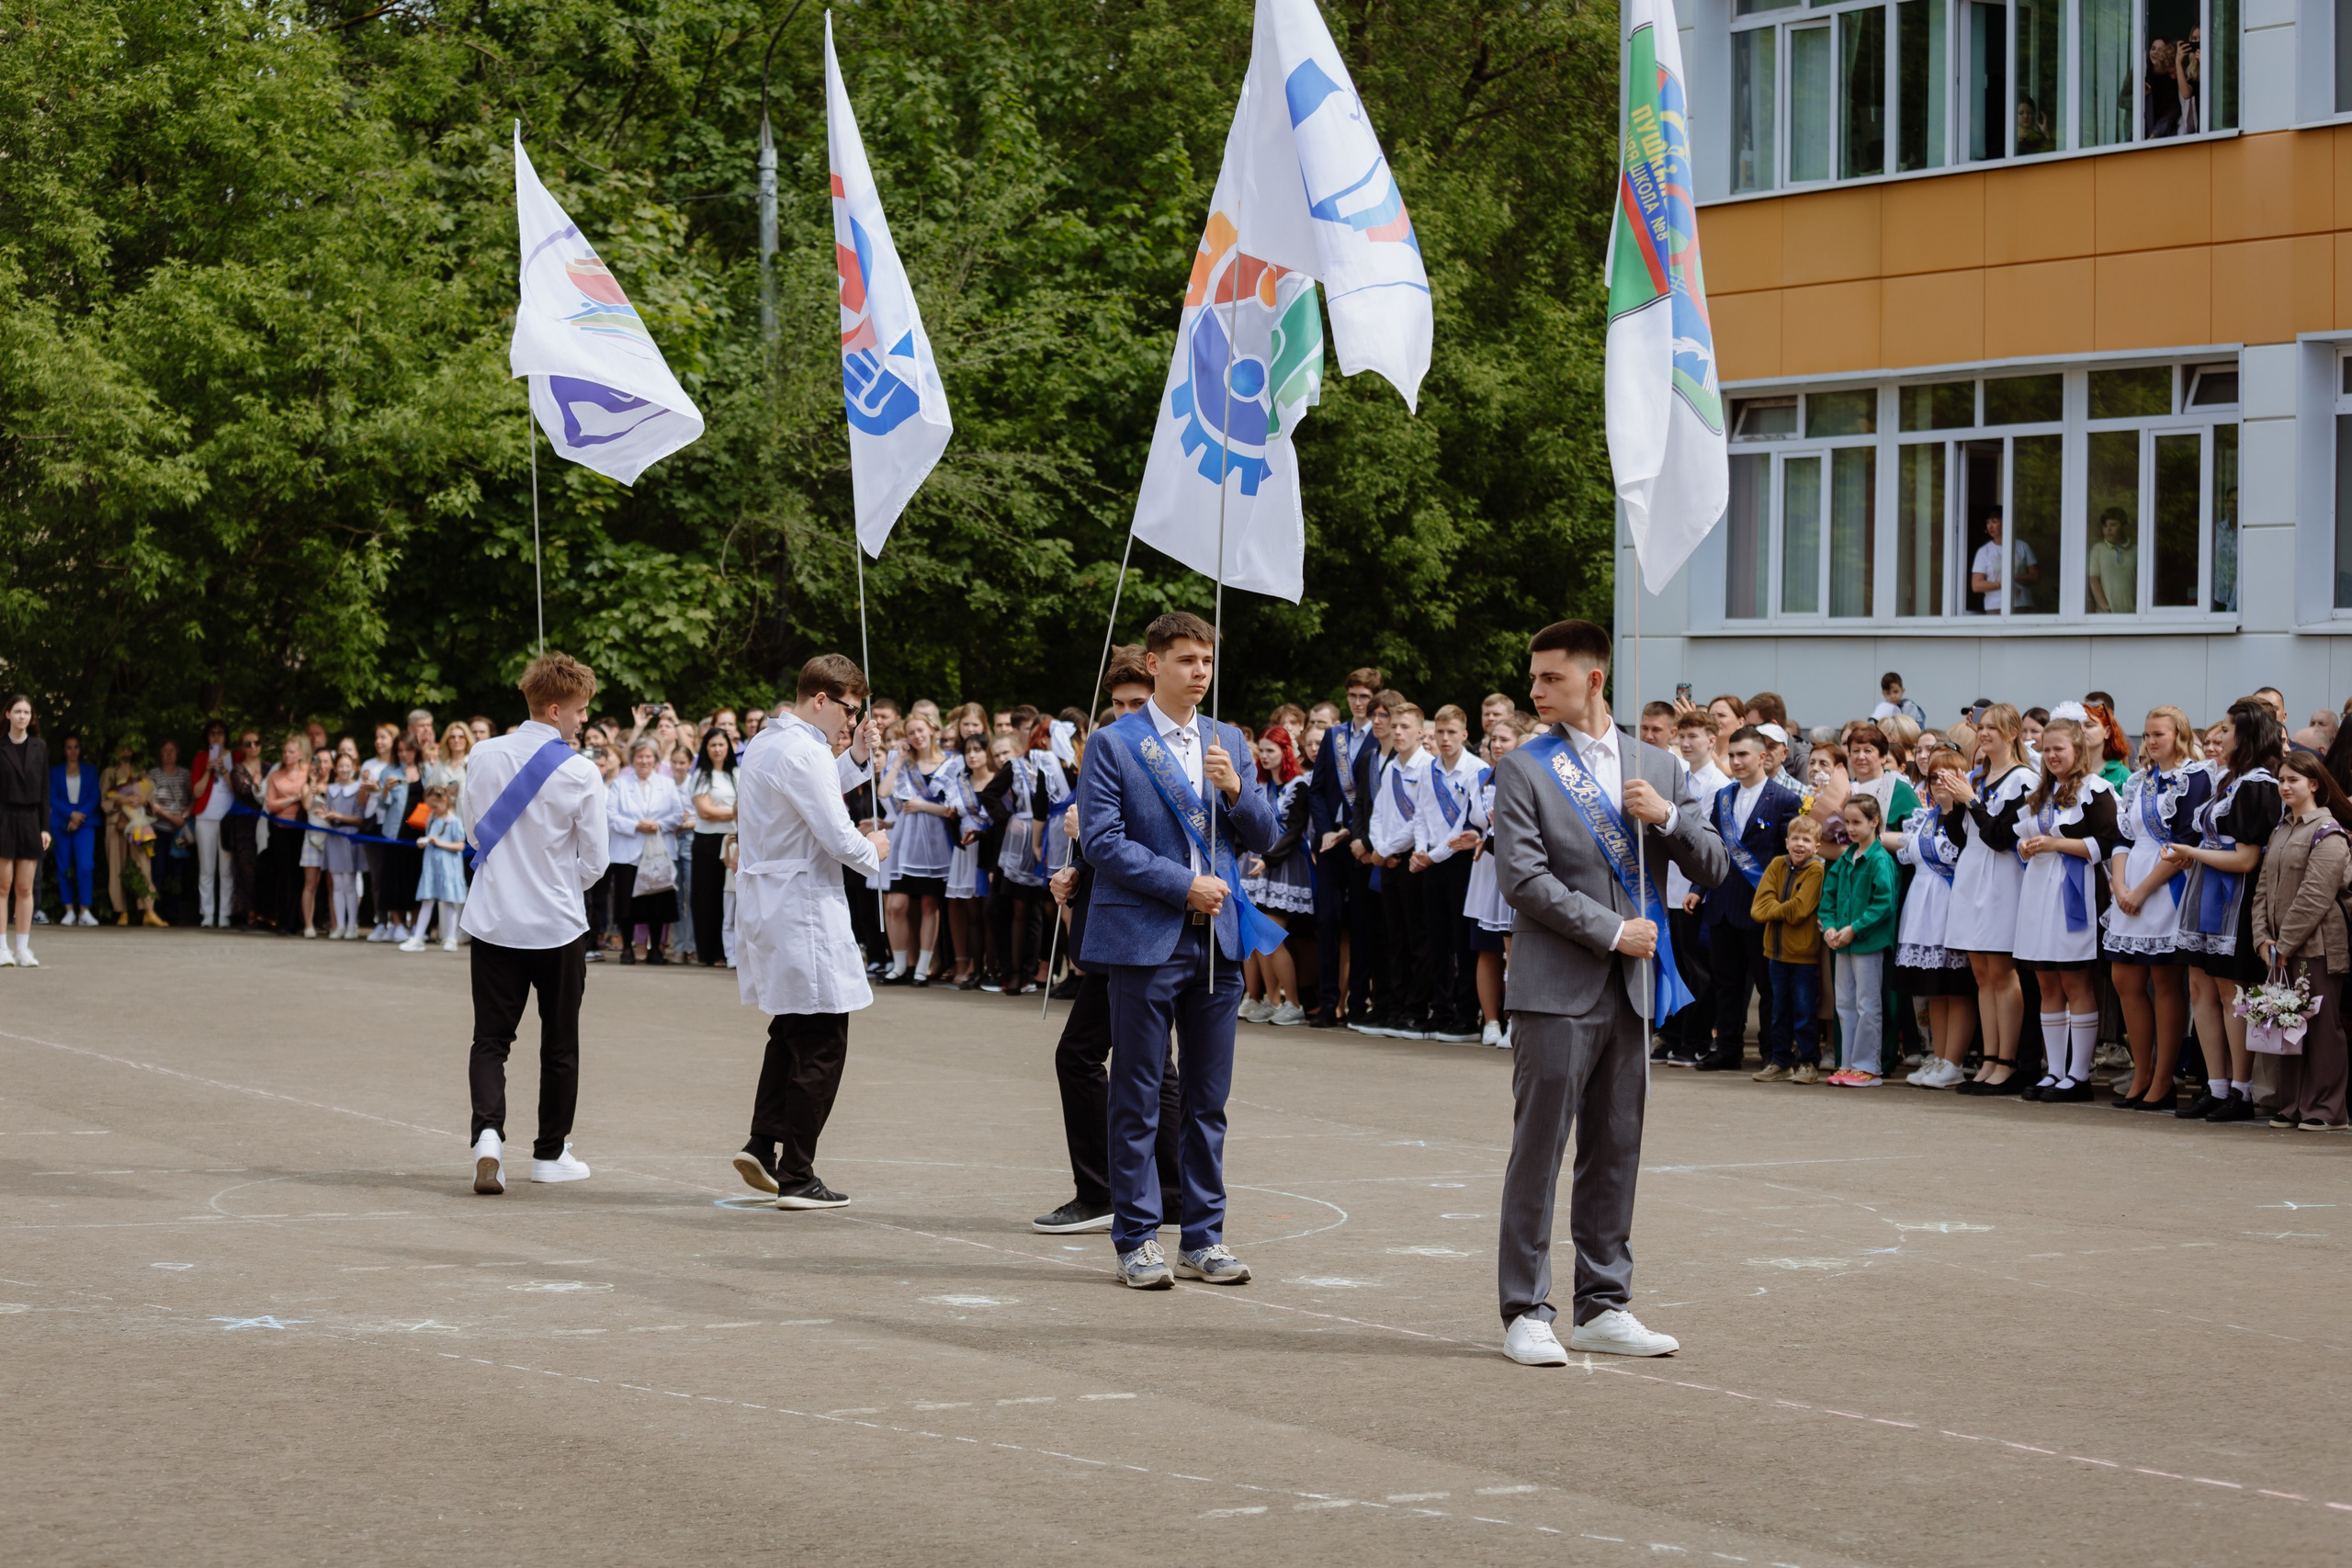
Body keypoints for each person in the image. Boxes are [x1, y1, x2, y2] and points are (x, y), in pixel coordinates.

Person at [1492, 620, 1726, 1367]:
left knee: (1615, 1148)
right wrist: (1611, 928)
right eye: (1532, 678)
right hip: (1555, 984)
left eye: (1549, 678)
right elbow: (1523, 879)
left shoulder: (1655, 763)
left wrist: (1667, 821)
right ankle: (1526, 1308)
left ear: (1594, 680)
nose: (1535, 691)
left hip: (1631, 987)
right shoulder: (1524, 767)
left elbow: (1716, 866)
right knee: (1540, 1148)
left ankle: (1603, 1303)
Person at [1074, 610, 1281, 1291]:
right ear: (1155, 662)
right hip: (1145, 936)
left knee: (1207, 1098)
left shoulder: (1228, 740)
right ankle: (1136, 1236)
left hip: (1217, 943)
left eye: (1207, 661)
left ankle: (1204, 1235)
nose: (1200, 672)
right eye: (1188, 659)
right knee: (1136, 1091)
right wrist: (1181, 883)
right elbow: (1102, 841)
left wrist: (1238, 790)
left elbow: (1266, 834)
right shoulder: (1115, 742)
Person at [1032, 649, 1187, 1235]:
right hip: (1116, 919)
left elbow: (1152, 845)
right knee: (1155, 1065)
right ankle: (1167, 1194)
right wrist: (1079, 870)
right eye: (1117, 704)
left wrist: (1090, 839)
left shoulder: (1171, 755)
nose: (1125, 713)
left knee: (1082, 1056)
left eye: (1137, 703)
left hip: (1145, 926)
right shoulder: (1112, 747)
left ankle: (1102, 1191)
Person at [729, 654, 889, 1209]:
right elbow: (839, 836)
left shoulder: (772, 741)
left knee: (791, 1029)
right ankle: (798, 1172)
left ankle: (762, 1143)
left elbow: (810, 794)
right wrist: (877, 849)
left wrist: (858, 756)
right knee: (822, 1039)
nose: (853, 720)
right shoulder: (804, 749)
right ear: (820, 699)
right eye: (849, 709)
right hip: (802, 907)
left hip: (775, 902)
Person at [458, 651, 610, 1195]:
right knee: (560, 1042)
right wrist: (557, 880)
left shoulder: (482, 753)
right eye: (580, 711)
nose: (583, 720)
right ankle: (549, 1153)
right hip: (556, 926)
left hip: (495, 920)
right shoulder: (580, 770)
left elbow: (473, 834)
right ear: (553, 709)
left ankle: (489, 1137)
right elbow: (595, 861)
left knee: (490, 1041)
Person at [2166, 699, 2284, 1122]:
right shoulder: (2230, 780)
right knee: (2202, 987)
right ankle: (2216, 1086)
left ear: (2246, 736)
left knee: (2232, 992)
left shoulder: (2258, 784)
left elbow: (2248, 859)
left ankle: (2241, 1089)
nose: (2219, 738)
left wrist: (2192, 851)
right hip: (2209, 888)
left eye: (2227, 731)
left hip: (2236, 895)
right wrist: (2193, 854)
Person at [2103, 706, 2207, 1111]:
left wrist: (2141, 891)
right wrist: (2119, 885)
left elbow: (2184, 841)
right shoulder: (2138, 780)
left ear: (2179, 735)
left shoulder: (2193, 777)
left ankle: (2164, 1078)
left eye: (2158, 734)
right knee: (2124, 979)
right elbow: (2121, 838)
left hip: (2166, 885)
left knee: (2165, 981)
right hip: (2130, 882)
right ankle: (2141, 1071)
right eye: (2146, 735)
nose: (2150, 741)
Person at [2253, 752, 2352, 1129]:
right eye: (2281, 779)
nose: (2284, 786)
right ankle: (2292, 1104)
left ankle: (2327, 1109)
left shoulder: (2328, 831)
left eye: (2293, 779)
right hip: (2280, 949)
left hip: (2319, 948)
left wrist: (2284, 944)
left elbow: (2316, 896)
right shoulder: (2280, 830)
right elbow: (2262, 889)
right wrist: (2262, 937)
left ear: (2314, 784)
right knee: (2287, 1024)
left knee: (2323, 1027)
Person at [1697, 726, 1804, 1072]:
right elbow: (1713, 849)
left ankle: (1774, 1053)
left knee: (1768, 985)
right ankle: (1728, 1049)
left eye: (1743, 755)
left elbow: (1790, 858)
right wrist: (1698, 890)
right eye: (1732, 755)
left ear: (1763, 757)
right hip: (1723, 904)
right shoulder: (1723, 797)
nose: (1736, 761)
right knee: (1726, 984)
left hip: (1762, 908)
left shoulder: (1786, 800)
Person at [1944, 705, 2037, 1095]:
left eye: (1993, 729)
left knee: (2002, 971)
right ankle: (1988, 1058)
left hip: (2001, 878)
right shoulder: (1978, 776)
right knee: (1981, 974)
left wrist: (1971, 800)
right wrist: (1951, 802)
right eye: (1981, 728)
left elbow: (2001, 837)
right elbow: (1961, 837)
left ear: (2012, 733)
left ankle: (2008, 1061)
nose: (1984, 735)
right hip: (1972, 874)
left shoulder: (2024, 780)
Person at [1886, 750, 1977, 1088]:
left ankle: (1954, 1060)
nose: (1941, 783)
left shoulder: (1970, 819)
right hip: (1924, 911)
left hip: (1954, 908)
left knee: (1958, 989)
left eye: (1949, 775)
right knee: (1934, 990)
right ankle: (1939, 1057)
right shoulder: (1925, 817)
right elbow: (1906, 848)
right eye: (1935, 776)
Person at [1308, 668, 1383, 1029]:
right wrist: (1324, 831)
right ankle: (1326, 1003)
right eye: (1353, 695)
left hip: (1361, 843)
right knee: (1327, 921)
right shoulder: (1333, 736)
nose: (1357, 703)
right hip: (1330, 844)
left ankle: (1357, 1002)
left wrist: (1353, 834)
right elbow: (1317, 788)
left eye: (1365, 697)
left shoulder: (1381, 738)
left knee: (1362, 923)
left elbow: (1378, 799)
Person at [1412, 704, 1488, 1043]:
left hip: (1460, 860)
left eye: (1451, 733)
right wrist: (1419, 850)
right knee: (1437, 939)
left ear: (1464, 734)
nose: (1444, 739)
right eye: (1440, 733)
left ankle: (1466, 1012)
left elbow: (1468, 822)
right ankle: (1441, 1009)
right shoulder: (1429, 769)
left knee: (1463, 939)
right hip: (1430, 859)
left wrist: (1434, 855)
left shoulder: (1477, 770)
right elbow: (1420, 814)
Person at [1821, 795, 1902, 1087]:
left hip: (1866, 942)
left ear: (1874, 822)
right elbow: (1828, 896)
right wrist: (1829, 927)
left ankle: (1869, 1066)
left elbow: (1884, 903)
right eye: (1847, 822)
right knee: (1844, 1002)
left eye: (1857, 822)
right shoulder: (1847, 857)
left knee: (1868, 1003)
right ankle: (1849, 1063)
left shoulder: (1880, 859)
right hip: (1843, 942)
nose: (1851, 828)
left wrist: (1854, 928)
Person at [1365, 703, 1434, 1038]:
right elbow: (1379, 814)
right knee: (1395, 938)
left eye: (1406, 727)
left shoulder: (1427, 767)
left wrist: (1386, 850)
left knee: (1417, 938)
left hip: (1411, 861)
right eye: (1395, 727)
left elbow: (1419, 818)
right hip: (1388, 860)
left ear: (1420, 732)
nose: (1398, 733)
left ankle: (1416, 1010)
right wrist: (1380, 849)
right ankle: (1396, 1005)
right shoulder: (1391, 766)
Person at [1238, 730, 1313, 1026]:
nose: (1265, 756)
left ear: (1285, 751)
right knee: (1257, 936)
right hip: (1256, 865)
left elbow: (1295, 831)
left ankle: (1293, 1003)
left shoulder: (1298, 785)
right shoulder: (1261, 784)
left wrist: (1269, 859)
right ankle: (1271, 1000)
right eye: (1263, 751)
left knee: (1270, 933)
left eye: (1271, 750)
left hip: (1285, 867)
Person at [878, 713, 956, 986]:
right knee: (896, 905)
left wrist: (923, 806)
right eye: (911, 732)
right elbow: (885, 791)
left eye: (920, 730)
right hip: (906, 844)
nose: (917, 736)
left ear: (932, 730)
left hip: (935, 843)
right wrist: (898, 760)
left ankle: (922, 967)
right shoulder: (903, 763)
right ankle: (899, 965)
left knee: (928, 904)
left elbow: (953, 809)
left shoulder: (950, 764)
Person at [1748, 812, 1826, 1083]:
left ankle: (1808, 1062)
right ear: (1786, 841)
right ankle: (1781, 1062)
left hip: (1803, 956)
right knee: (1778, 1010)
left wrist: (1775, 908)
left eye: (1807, 839)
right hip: (1775, 953)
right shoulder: (1776, 865)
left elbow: (1800, 910)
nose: (1800, 844)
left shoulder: (1816, 869)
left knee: (1803, 1011)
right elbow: (1758, 909)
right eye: (1795, 838)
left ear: (1817, 846)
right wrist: (1780, 909)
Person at [1464, 717, 1522, 1047]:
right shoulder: (1482, 777)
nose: (1497, 745)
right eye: (1493, 740)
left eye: (1504, 740)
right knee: (1487, 947)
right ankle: (1491, 1021)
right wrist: (1475, 834)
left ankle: (1515, 1020)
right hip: (1487, 869)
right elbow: (1471, 820)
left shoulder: (1525, 778)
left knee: (1515, 950)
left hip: (1514, 867)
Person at [608, 738, 686, 964]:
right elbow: (611, 815)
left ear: (655, 759)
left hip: (658, 849)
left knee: (657, 901)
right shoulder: (621, 784)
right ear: (633, 759)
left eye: (648, 757)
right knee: (625, 901)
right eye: (640, 756)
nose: (644, 761)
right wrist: (635, 825)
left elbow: (676, 814)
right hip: (627, 851)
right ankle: (627, 949)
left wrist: (658, 825)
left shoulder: (667, 783)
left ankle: (656, 950)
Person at [0, 696, 49, 967]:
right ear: (7, 714)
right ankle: (1, 948)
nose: (22, 716)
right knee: (2, 886)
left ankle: (23, 948)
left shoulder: (40, 747)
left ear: (32, 717)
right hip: (4, 818)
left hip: (31, 820)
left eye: (27, 712)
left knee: (25, 887)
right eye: (17, 711)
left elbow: (45, 792)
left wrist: (45, 828)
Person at [687, 727, 738, 968]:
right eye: (712, 745)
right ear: (706, 748)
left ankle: (730, 951)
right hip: (708, 842)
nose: (717, 749)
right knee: (707, 898)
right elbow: (705, 811)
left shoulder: (735, 774)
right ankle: (709, 952)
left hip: (732, 840)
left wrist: (732, 813)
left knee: (729, 898)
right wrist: (736, 811)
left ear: (728, 746)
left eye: (721, 744)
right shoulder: (701, 776)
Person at [406, 784, 469, 952]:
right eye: (429, 806)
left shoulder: (454, 821)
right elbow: (430, 837)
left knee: (448, 902)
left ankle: (451, 938)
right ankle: (418, 937)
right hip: (431, 866)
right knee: (427, 900)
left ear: (445, 801)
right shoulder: (431, 819)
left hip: (448, 868)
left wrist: (439, 843)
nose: (432, 809)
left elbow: (460, 845)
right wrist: (424, 842)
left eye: (434, 806)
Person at [47, 735, 97, 928]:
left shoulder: (90, 771)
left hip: (85, 823)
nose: (73, 751)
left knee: (85, 866)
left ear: (80, 749)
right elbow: (51, 797)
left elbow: (94, 797)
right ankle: (69, 910)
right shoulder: (55, 772)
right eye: (69, 747)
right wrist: (70, 815)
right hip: (62, 822)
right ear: (64, 750)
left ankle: (85, 911)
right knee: (63, 867)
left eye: (76, 747)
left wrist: (79, 816)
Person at [189, 720, 235, 928]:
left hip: (228, 818)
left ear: (226, 736)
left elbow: (240, 790)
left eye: (220, 733)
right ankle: (207, 914)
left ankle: (225, 914)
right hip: (205, 817)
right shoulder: (200, 758)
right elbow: (196, 792)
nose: (216, 736)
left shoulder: (236, 757)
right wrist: (208, 770)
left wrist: (225, 770)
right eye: (212, 733)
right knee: (207, 869)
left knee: (226, 870)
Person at [319, 752, 367, 940]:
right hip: (334, 838)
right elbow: (329, 813)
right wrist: (327, 816)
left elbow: (359, 819)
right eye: (341, 766)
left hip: (350, 838)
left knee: (349, 883)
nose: (344, 770)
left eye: (348, 766)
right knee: (337, 884)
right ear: (336, 768)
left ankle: (351, 925)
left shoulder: (357, 788)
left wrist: (338, 817)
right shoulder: (331, 789)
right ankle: (339, 924)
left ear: (354, 767)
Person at [1969, 509, 2038, 614]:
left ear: (2006, 522)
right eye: (1988, 523)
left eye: (1994, 521)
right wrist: (2001, 584)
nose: (1990, 526)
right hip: (1995, 606)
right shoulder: (1984, 551)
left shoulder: (2022, 546)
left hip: (2022, 604)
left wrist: (2014, 578)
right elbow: (1976, 585)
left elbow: (2035, 577)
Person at [298, 748, 334, 938]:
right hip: (311, 837)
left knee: (332, 884)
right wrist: (312, 782)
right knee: (310, 884)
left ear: (332, 764)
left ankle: (335, 925)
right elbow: (306, 805)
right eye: (318, 761)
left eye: (326, 761)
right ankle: (309, 925)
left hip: (332, 838)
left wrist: (326, 791)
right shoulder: (307, 785)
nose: (322, 765)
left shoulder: (336, 785)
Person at [2086, 508, 2137, 614]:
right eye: (2105, 526)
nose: (2108, 529)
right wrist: (2105, 606)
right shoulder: (2098, 549)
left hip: (2133, 612)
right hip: (2107, 614)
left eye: (2113, 525)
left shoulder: (2136, 550)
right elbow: (2093, 580)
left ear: (2123, 526)